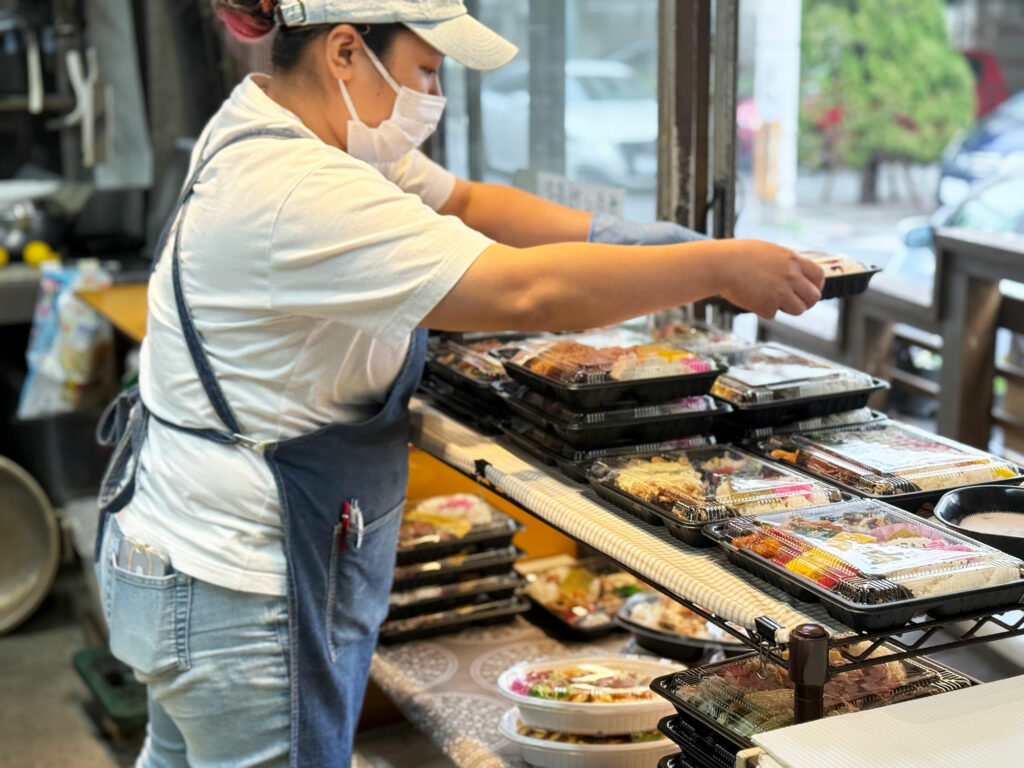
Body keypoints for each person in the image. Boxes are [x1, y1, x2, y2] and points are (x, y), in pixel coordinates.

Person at [94, 1, 825, 766]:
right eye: (426, 71)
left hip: (175, 556)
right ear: (345, 51)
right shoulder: (297, 186)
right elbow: (523, 292)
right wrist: (711, 267)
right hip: (239, 591)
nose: (433, 99)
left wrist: (642, 239)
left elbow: (471, 204)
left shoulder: (283, 120)